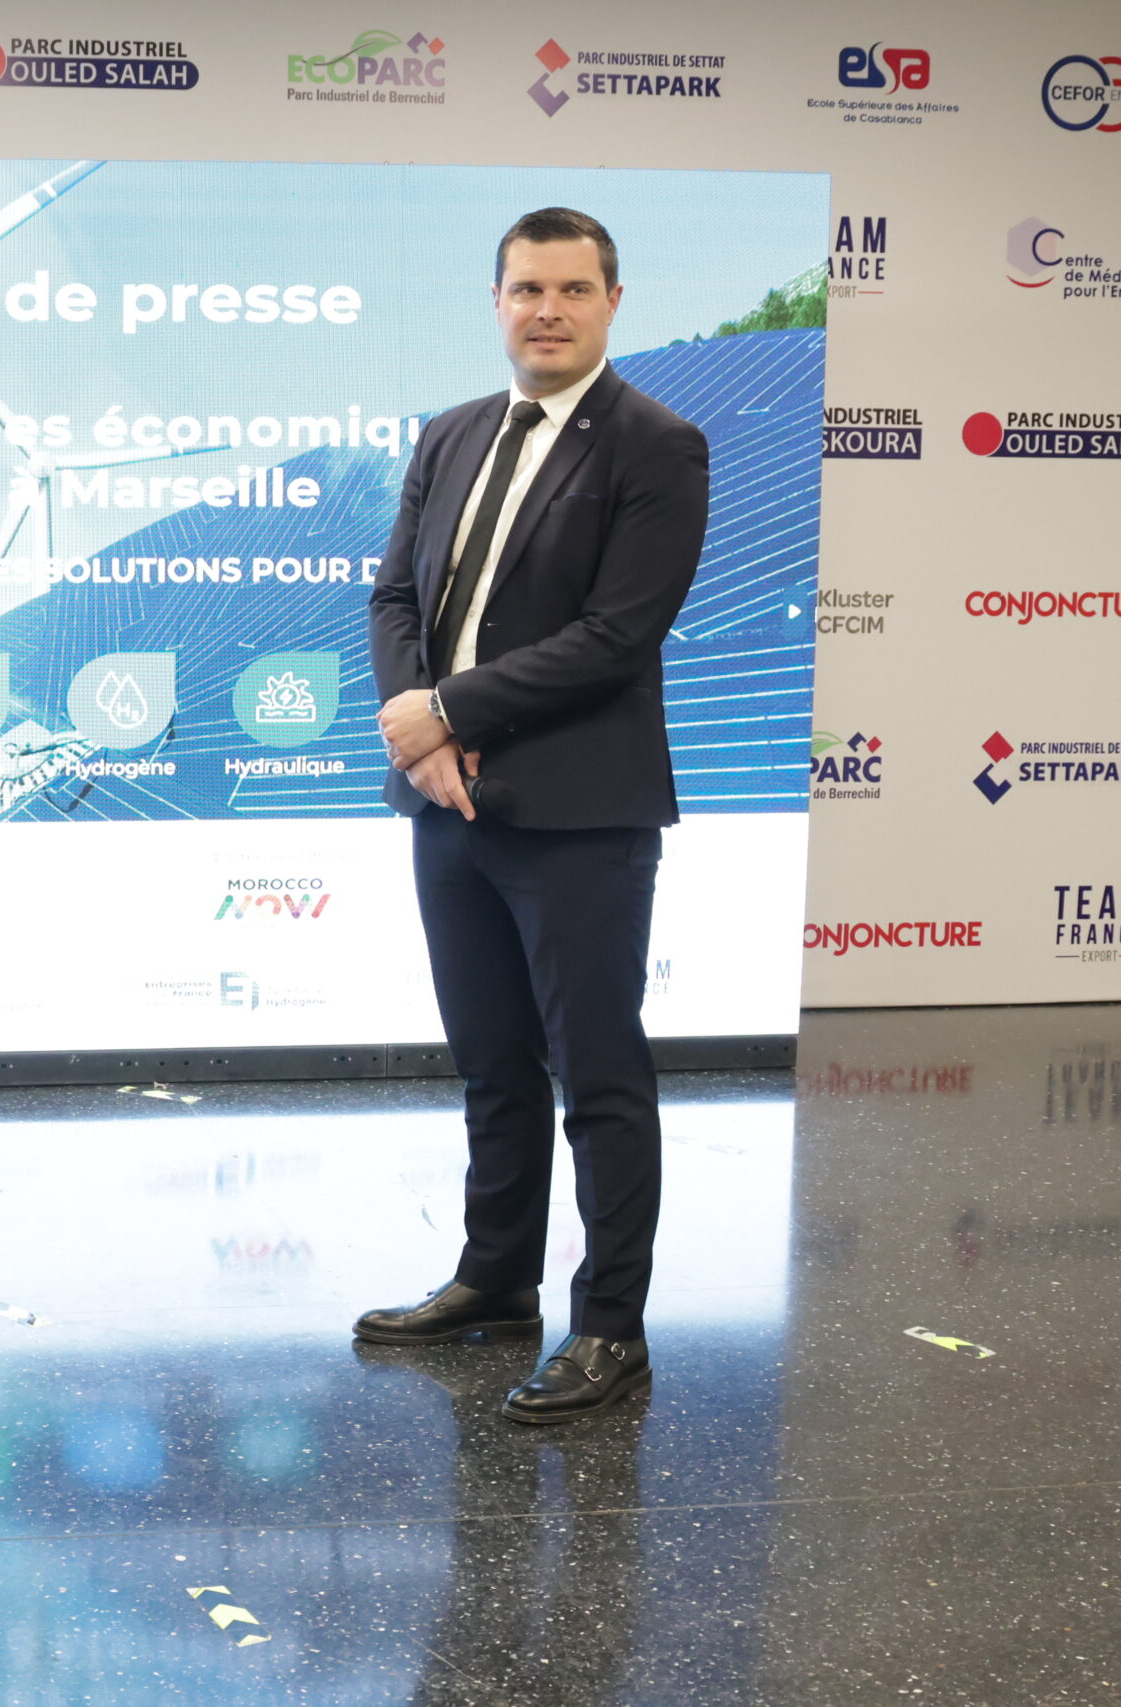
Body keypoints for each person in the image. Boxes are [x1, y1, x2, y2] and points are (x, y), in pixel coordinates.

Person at [352, 208, 709, 1423]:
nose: (546, 310)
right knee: (491, 1065)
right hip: (445, 807)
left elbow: (617, 634)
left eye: (571, 289)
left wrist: (446, 711)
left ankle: (610, 1327)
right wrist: (420, 728)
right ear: (496, 301)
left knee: (597, 1076)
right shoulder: (450, 433)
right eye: (524, 289)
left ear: (612, 301)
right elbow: (394, 595)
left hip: (577, 813)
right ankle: (496, 1278)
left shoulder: (657, 446)